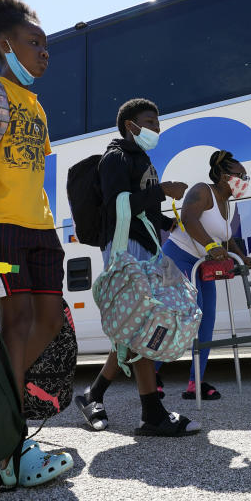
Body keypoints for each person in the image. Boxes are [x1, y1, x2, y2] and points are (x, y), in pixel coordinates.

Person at [0, 0, 71, 487]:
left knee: (49, 319)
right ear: (6, 44)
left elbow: (33, 172)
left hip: (41, 230)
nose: (45, 52)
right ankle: (10, 446)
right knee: (17, 319)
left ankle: (0, 404)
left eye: (47, 44)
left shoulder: (37, 105)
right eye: (34, 42)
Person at [73, 97, 201, 436]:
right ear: (131, 126)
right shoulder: (114, 158)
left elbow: (142, 210)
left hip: (147, 246)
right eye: (151, 122)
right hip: (123, 248)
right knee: (142, 323)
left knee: (138, 325)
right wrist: (161, 190)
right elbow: (119, 206)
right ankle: (151, 412)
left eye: (158, 123)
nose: (157, 129)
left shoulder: (140, 158)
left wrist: (171, 223)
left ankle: (94, 394)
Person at [159, 150, 251, 400]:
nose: (245, 179)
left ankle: (196, 383)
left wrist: (240, 256)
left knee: (207, 319)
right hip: (175, 258)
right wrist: (211, 247)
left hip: (202, 264)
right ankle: (150, 373)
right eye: (240, 175)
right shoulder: (203, 190)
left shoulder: (227, 202)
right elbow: (188, 218)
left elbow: (224, 237)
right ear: (224, 176)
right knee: (182, 317)